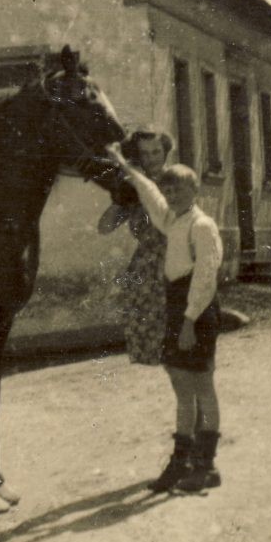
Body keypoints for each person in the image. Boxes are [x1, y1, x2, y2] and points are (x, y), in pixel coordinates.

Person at [106, 146, 224, 493]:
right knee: (182, 388)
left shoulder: (202, 226)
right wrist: (125, 165)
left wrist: (188, 321)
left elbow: (205, 276)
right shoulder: (173, 219)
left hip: (197, 312)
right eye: (169, 190)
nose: (171, 195)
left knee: (202, 386)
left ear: (195, 191)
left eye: (179, 190)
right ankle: (180, 462)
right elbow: (150, 194)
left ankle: (204, 465)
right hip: (177, 306)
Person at [97, 128, 173, 367]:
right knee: (149, 349)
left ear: (166, 152)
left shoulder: (177, 180)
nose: (151, 159)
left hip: (175, 260)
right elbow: (104, 227)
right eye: (144, 154)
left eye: (156, 152)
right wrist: (121, 200)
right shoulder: (134, 189)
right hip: (146, 267)